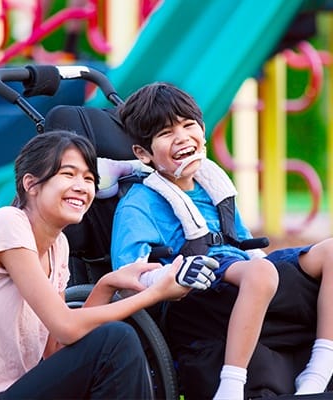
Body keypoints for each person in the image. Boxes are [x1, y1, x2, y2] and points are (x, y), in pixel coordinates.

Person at [110, 82, 333, 399]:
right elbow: (127, 274)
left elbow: (242, 243)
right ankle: (230, 386)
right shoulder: (139, 204)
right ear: (143, 153)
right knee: (261, 273)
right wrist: (165, 275)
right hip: (195, 286)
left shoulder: (211, 185)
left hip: (240, 272)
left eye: (188, 125)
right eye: (166, 133)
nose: (182, 137)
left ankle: (320, 368)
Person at [0, 129, 191, 399]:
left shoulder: (58, 246)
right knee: (116, 340)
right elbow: (66, 325)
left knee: (112, 345)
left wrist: (106, 285)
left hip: (14, 391)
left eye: (89, 178)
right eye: (68, 174)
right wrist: (154, 294)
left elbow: (57, 346)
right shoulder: (8, 223)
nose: (81, 186)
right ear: (31, 184)